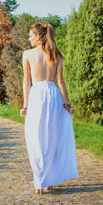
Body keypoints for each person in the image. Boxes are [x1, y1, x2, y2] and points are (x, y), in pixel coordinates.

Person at [20, 23, 79, 194]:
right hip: (53, 96)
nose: (29, 38)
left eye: (30, 35)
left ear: (39, 37)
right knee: (53, 138)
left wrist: (25, 105)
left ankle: (40, 180)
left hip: (37, 96)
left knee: (35, 139)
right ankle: (48, 180)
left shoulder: (28, 54)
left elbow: (26, 82)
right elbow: (60, 82)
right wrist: (66, 104)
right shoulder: (56, 54)